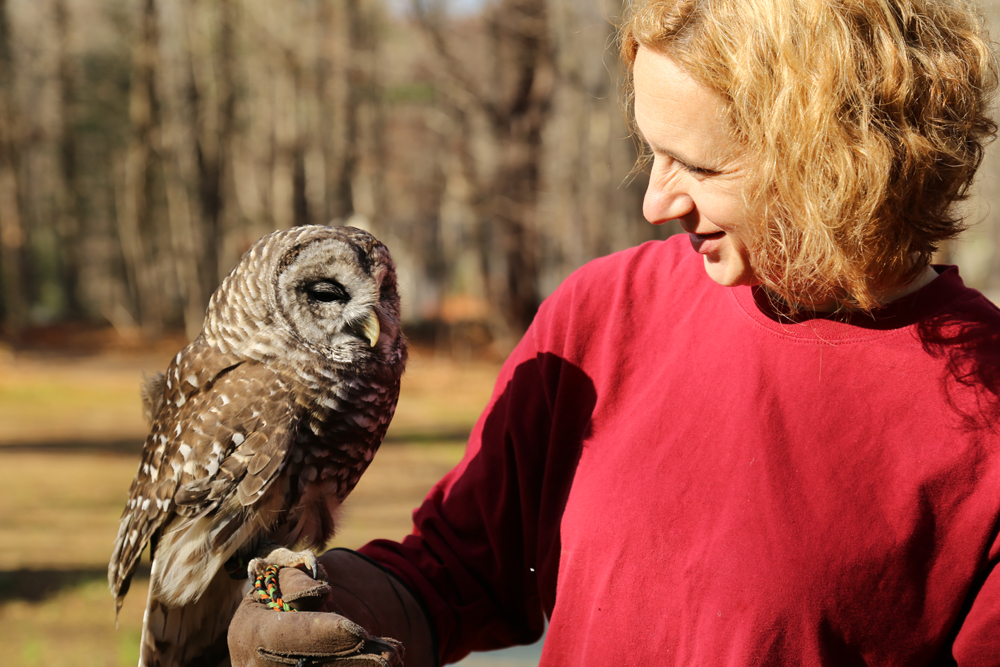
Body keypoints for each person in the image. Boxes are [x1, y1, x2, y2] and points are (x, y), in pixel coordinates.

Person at [229, 0, 1000, 664]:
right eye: (651, 153)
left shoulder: (983, 424)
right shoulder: (605, 313)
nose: (656, 202)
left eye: (697, 166)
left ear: (837, 164)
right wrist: (339, 603)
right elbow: (459, 572)